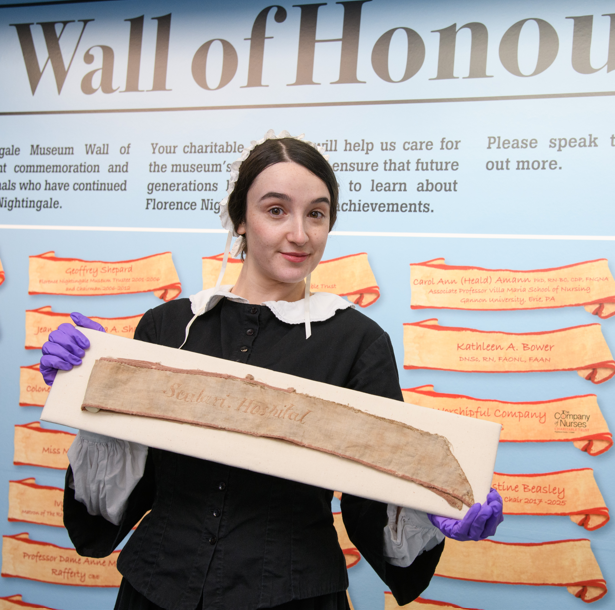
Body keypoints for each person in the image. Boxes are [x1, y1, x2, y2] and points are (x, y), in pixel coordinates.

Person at [41, 131, 503, 610]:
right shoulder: (169, 326)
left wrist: (432, 509)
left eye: (316, 214)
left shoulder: (358, 343)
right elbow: (125, 484)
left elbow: (375, 493)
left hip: (296, 598)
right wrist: (90, 388)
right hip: (154, 592)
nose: (300, 234)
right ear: (241, 218)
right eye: (276, 210)